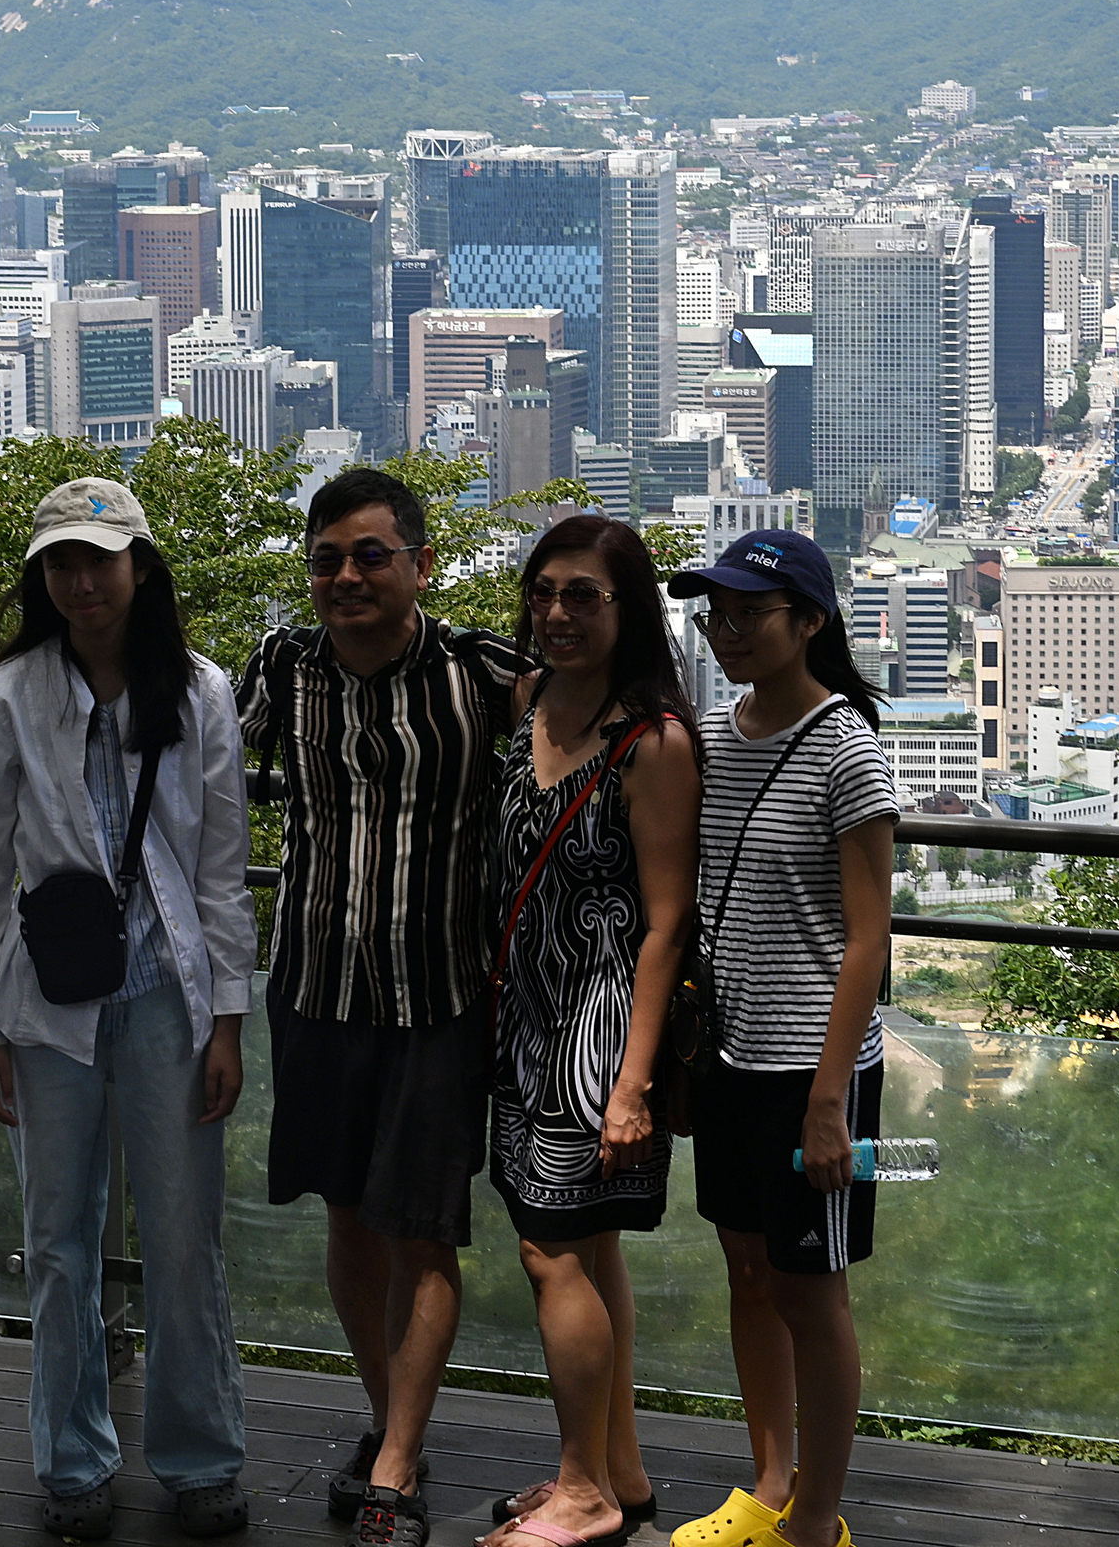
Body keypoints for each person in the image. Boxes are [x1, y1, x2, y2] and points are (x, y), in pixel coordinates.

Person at [0, 477, 257, 1542]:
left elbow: (220, 870)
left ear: (139, 565)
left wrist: (228, 1019)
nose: (80, 581)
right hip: (47, 1008)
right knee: (59, 1243)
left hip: (170, 993)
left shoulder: (199, 691)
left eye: (99, 559)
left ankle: (199, 1454)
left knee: (183, 1241)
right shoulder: (9, 697)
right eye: (61, 564)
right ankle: (72, 1459)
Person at [238, 464, 531, 1545]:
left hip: (437, 994)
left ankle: (400, 1460)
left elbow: (612, 729)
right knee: (348, 1219)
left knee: (421, 1230)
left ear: (420, 564)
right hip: (312, 987)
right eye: (326, 560)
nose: (346, 577)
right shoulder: (281, 665)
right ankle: (386, 1417)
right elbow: (193, 769)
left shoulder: (481, 668)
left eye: (369, 555)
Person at [658, 530, 898, 1547]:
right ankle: (766, 1484)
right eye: (717, 614)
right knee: (748, 1272)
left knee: (813, 1292)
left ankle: (819, 1520)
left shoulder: (847, 745)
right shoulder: (715, 730)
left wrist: (828, 1098)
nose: (729, 632)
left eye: (750, 613)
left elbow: (867, 935)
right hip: (731, 1053)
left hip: (813, 1066)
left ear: (810, 621)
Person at [478, 515, 698, 1547]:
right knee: (589, 1249)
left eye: (585, 596)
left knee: (549, 1251)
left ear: (628, 609)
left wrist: (631, 1083)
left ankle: (582, 1491)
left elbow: (665, 925)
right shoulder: (526, 700)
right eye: (546, 591)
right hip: (523, 1021)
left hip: (597, 1037)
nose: (558, 612)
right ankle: (622, 1471)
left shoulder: (649, 742)